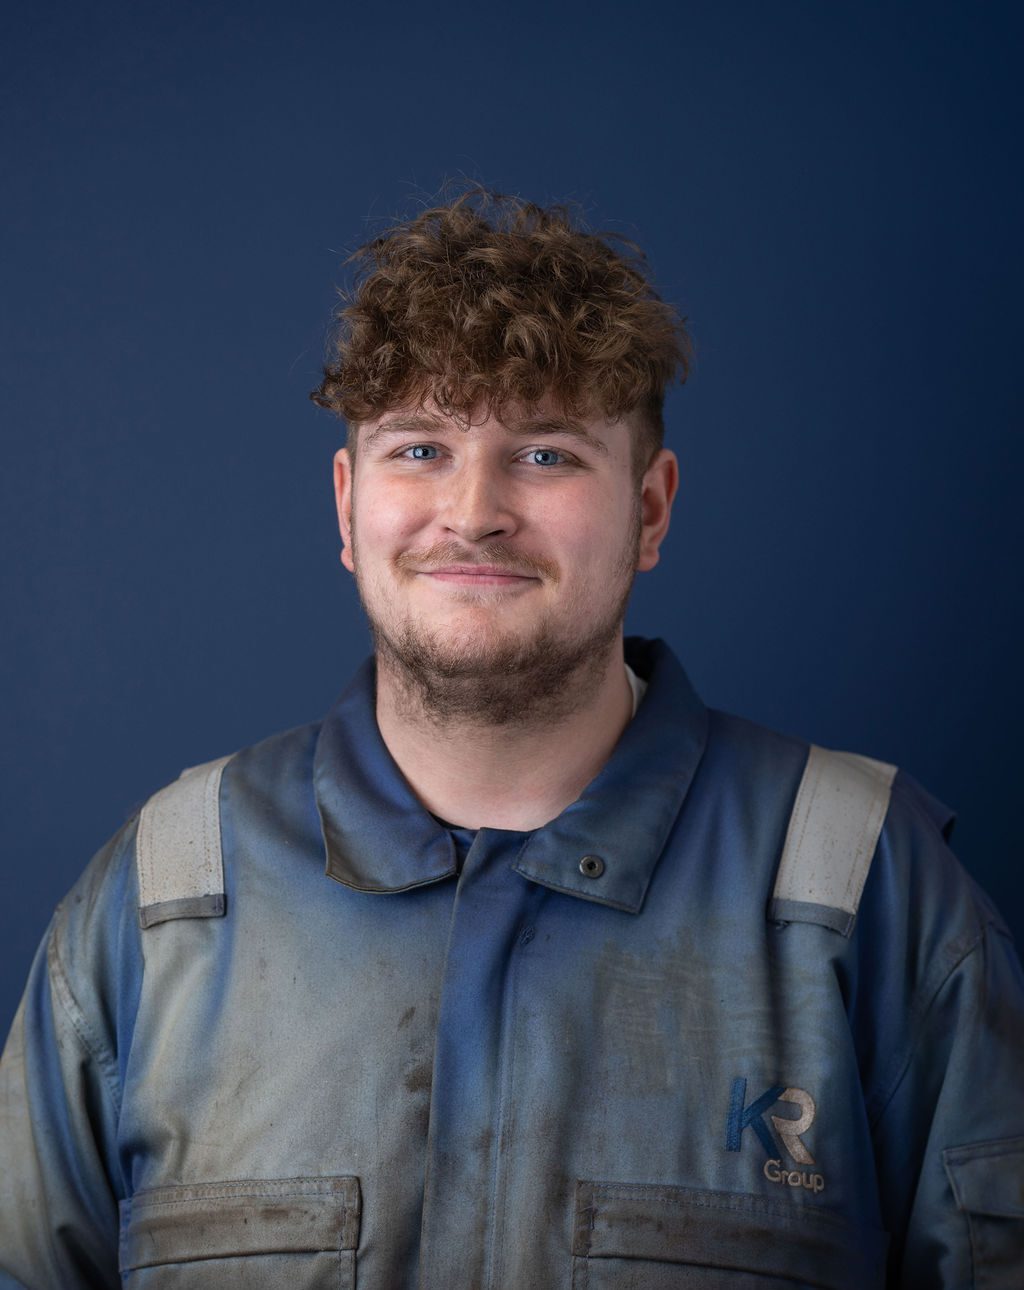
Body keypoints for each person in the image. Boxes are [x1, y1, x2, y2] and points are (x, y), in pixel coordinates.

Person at [1, 188, 1021, 1290]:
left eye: (544, 455)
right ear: (347, 506)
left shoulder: (868, 888)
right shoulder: (158, 904)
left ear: (652, 508)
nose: (474, 509)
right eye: (420, 448)